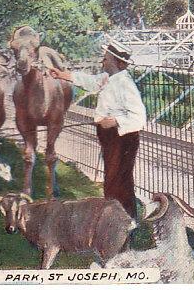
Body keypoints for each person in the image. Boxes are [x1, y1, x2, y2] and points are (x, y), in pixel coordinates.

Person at [49, 41, 146, 219]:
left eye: (106, 59)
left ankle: (124, 220)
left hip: (122, 138)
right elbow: (89, 81)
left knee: (118, 179)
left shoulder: (125, 84)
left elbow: (139, 117)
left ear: (119, 63)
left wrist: (116, 120)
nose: (102, 62)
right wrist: (63, 75)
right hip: (109, 136)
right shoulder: (107, 78)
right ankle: (118, 218)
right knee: (112, 176)